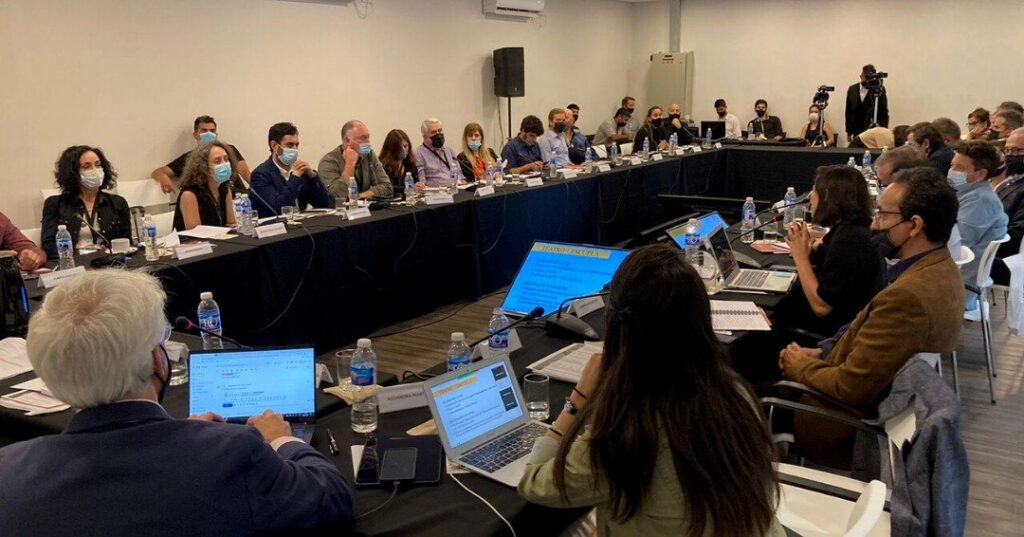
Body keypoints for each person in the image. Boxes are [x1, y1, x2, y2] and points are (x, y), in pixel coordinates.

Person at [0, 270, 353, 536]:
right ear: (158, 359)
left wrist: (183, 436)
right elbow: (330, 498)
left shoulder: (8, 470)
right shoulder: (232, 453)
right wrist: (281, 439)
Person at [518, 244, 785, 537]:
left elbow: (534, 482)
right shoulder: (734, 392)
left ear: (616, 323)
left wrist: (577, 400)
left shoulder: (627, 432)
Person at [779, 167, 963, 468]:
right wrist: (822, 352)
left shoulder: (909, 298)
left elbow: (849, 387)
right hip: (861, 386)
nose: (875, 225)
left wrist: (800, 365)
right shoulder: (938, 268)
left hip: (840, 422)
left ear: (914, 225)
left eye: (884, 216)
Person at [778, 166, 884, 336]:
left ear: (827, 197)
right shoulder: (854, 228)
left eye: (814, 192)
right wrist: (814, 247)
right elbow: (835, 261)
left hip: (832, 335)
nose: (810, 199)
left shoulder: (849, 240)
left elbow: (821, 307)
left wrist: (800, 257)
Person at [950, 140, 1009, 315]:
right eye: (952, 165)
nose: (952, 171)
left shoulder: (980, 201)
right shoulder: (970, 193)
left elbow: (957, 247)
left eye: (960, 168)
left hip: (959, 284)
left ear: (980, 174)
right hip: (957, 274)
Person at [41, 145, 131, 259]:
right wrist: (83, 254)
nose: (95, 170)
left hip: (110, 263)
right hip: (73, 264)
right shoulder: (55, 204)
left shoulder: (118, 203)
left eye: (98, 165)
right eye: (87, 166)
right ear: (73, 172)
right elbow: (49, 247)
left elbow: (126, 243)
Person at [151, 115, 249, 194]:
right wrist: (163, 177)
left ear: (216, 134)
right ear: (195, 134)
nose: (209, 134)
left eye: (212, 131)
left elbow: (247, 175)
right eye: (204, 130)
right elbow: (158, 172)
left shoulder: (229, 150)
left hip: (239, 198)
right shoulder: (189, 158)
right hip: (210, 201)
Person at [249, 122, 329, 216]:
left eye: (297, 145)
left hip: (302, 223)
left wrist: (313, 177)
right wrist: (295, 178)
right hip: (275, 224)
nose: (295, 149)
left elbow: (324, 204)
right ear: (274, 146)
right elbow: (279, 209)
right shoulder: (260, 175)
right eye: (290, 145)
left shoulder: (301, 172)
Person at [318, 120, 394, 202]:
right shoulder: (328, 162)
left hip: (365, 208)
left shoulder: (369, 155)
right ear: (347, 140)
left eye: (368, 137)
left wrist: (360, 196)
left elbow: (387, 187)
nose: (368, 142)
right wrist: (349, 165)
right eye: (363, 138)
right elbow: (337, 197)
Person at [172, 141, 238, 231]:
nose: (224, 164)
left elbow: (231, 223)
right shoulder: (189, 194)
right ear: (203, 167)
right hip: (195, 239)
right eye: (217, 161)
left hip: (220, 237)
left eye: (226, 159)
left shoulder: (225, 188)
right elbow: (195, 233)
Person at [992, 128, 1024, 285]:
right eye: (1008, 150)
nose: (1011, 155)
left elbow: (1017, 233)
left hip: (1006, 256)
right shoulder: (1010, 181)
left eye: (1018, 151)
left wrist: (985, 243)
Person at [414, 118, 464, 188]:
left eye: (440, 130)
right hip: (434, 192)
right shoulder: (419, 154)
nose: (438, 134)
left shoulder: (449, 150)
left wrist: (461, 181)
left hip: (455, 189)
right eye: (433, 132)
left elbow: (460, 175)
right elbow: (422, 183)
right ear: (424, 137)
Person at [845, 64, 889, 141]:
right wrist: (848, 131)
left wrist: (884, 130)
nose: (867, 81)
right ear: (861, 76)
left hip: (873, 130)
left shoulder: (878, 89)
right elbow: (848, 112)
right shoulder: (852, 89)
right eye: (866, 77)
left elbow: (883, 111)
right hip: (856, 130)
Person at [379, 129, 419, 196]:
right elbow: (387, 187)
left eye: (405, 146)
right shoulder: (383, 165)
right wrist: (407, 189)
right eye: (400, 147)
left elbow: (416, 182)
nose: (404, 149)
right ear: (392, 148)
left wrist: (419, 186)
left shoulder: (410, 164)